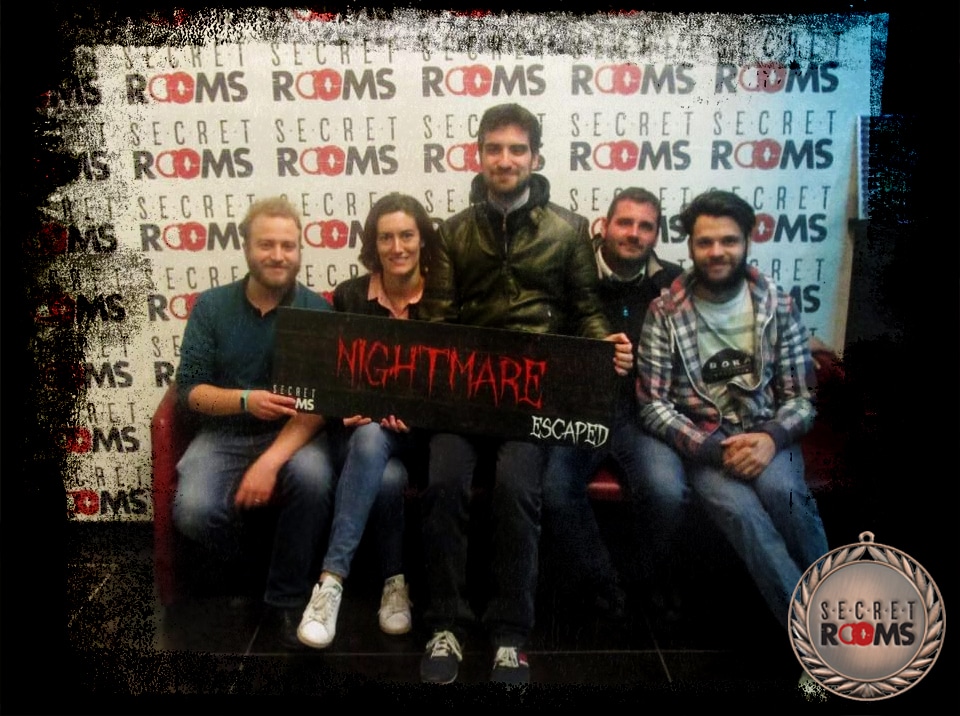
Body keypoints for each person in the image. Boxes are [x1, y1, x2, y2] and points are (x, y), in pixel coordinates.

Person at [417, 103, 633, 684]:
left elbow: (585, 310)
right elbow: (437, 320)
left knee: (517, 490)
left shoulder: (568, 229)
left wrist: (605, 345)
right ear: (478, 156)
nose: (505, 159)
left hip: (534, 400)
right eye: (494, 148)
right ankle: (445, 624)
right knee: (443, 484)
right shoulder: (452, 233)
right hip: (465, 398)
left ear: (535, 157)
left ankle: (510, 635)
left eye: (517, 149)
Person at [635, 189, 829, 628]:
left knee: (788, 497)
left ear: (747, 240)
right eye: (705, 242)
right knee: (744, 516)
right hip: (707, 442)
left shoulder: (777, 303)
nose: (717, 252)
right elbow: (653, 404)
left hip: (769, 433)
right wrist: (712, 450)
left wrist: (771, 439)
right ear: (690, 246)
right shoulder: (665, 311)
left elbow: (801, 397)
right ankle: (811, 637)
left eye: (728, 240)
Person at [172, 196, 336, 648]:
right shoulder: (211, 307)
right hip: (224, 433)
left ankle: (286, 599)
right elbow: (190, 392)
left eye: (288, 245)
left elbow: (319, 406)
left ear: (299, 250)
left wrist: (269, 462)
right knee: (193, 510)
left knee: (314, 479)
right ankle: (254, 571)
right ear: (246, 247)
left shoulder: (317, 312)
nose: (278, 255)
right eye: (267, 244)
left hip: (295, 435)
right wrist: (245, 400)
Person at [296, 193, 438, 649]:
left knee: (384, 453)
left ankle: (331, 579)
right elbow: (333, 375)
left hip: (422, 438)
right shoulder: (351, 295)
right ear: (373, 244)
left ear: (422, 239)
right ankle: (389, 584)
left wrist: (417, 417)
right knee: (383, 464)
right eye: (386, 237)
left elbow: (453, 383)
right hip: (361, 436)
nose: (397, 247)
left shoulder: (442, 297)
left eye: (407, 235)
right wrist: (344, 407)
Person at [541, 188, 684, 622]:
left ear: (656, 235)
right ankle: (602, 583)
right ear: (604, 225)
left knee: (666, 491)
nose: (634, 233)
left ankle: (641, 579)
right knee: (555, 490)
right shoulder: (569, 272)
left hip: (642, 415)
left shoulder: (674, 283)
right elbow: (543, 341)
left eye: (645, 226)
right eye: (625, 222)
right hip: (579, 409)